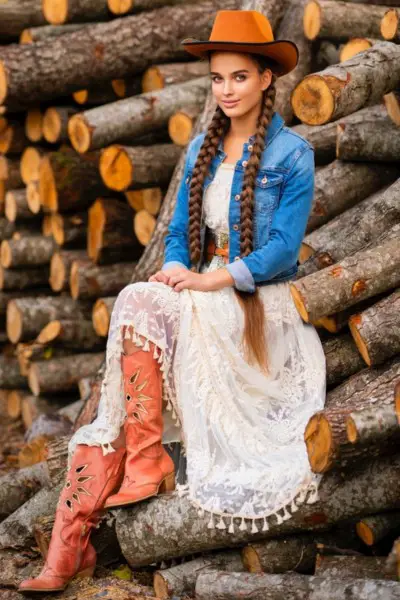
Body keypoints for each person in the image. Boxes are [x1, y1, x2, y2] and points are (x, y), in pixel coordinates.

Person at [19, 9, 326, 594]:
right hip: (200, 286)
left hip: (254, 299)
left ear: (266, 78)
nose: (226, 90)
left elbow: (284, 250)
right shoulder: (202, 150)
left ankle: (87, 526)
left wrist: (214, 280)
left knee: (136, 310)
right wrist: (181, 268)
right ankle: (87, 520)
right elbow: (183, 235)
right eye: (217, 78)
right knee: (133, 324)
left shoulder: (293, 155)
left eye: (238, 77)